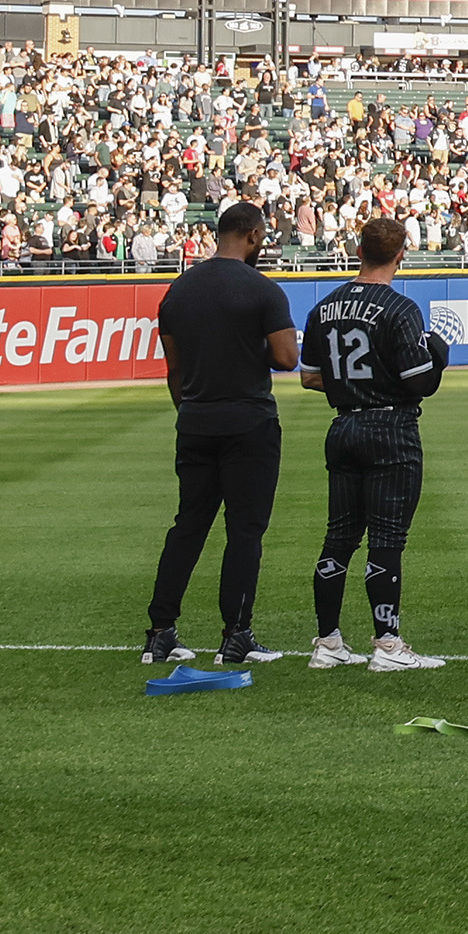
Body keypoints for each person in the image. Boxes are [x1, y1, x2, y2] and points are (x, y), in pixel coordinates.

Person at [142, 199, 298, 667]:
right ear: (251, 235)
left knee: (187, 527)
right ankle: (236, 635)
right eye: (263, 235)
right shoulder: (262, 290)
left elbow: (175, 370)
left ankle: (160, 632)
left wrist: (189, 410)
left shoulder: (178, 291)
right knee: (244, 532)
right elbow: (288, 358)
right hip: (248, 422)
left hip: (195, 420)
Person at [297, 214, 451, 671]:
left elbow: (309, 378)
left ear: (358, 250)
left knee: (339, 537)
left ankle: (327, 642)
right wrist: (438, 358)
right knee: (386, 539)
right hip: (390, 429)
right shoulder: (401, 309)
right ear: (401, 255)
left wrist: (354, 390)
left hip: (343, 427)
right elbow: (420, 382)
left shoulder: (323, 307)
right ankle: (387, 645)